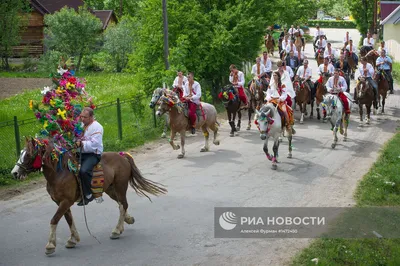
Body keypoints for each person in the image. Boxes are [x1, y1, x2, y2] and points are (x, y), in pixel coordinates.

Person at [75, 107, 104, 206]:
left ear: (91, 117)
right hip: (80, 152)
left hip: (93, 154)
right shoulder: (81, 125)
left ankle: (88, 194)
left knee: (83, 171)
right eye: (81, 117)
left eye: (85, 117)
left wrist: (81, 144)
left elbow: (94, 144)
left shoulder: (97, 127)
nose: (82, 119)